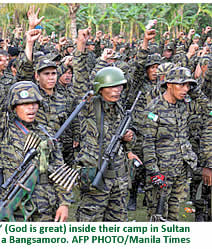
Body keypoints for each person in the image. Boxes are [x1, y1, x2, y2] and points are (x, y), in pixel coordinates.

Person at [73, 27, 139, 221]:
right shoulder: (89, 106)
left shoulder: (120, 108)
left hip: (119, 179)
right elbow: (80, 80)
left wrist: (129, 136)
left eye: (119, 86)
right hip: (96, 176)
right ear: (101, 88)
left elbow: (130, 135)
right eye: (112, 87)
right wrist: (81, 46)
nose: (117, 91)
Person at [0, 81, 71, 221]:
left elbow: (59, 168)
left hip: (45, 204)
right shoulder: (4, 131)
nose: (31, 108)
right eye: (25, 104)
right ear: (14, 107)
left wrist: (64, 203)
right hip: (15, 203)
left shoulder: (46, 133)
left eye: (34, 103)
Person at [143, 67, 199, 221]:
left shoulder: (184, 106)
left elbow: (206, 106)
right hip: (161, 171)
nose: (185, 89)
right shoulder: (154, 108)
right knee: (158, 216)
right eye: (181, 85)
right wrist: (154, 172)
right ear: (169, 84)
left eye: (188, 86)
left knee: (174, 216)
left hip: (181, 168)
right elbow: (148, 143)